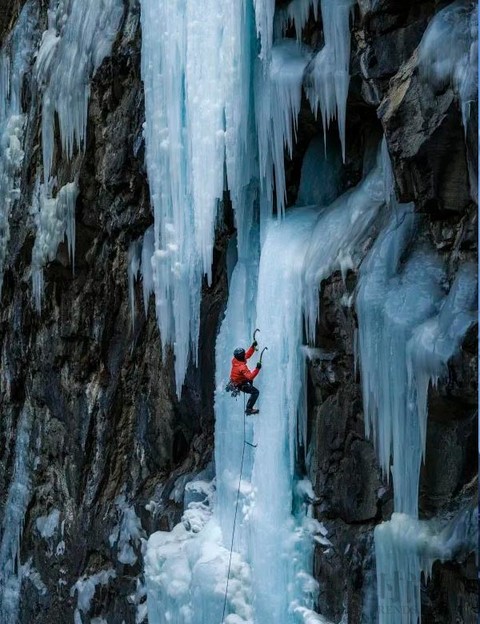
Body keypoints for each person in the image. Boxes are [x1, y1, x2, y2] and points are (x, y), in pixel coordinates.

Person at [230, 340, 262, 415]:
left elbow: (246, 355)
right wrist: (257, 368)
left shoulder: (235, 360)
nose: (245, 355)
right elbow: (250, 377)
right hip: (239, 384)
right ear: (241, 357)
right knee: (255, 392)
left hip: (235, 380)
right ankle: (249, 409)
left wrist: (252, 347)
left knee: (249, 379)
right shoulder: (242, 367)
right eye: (243, 354)